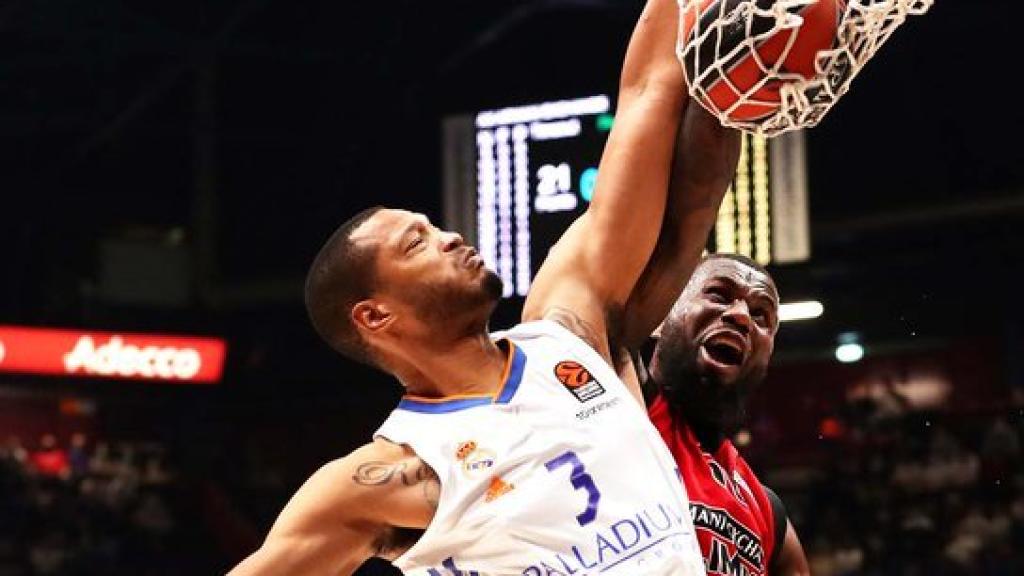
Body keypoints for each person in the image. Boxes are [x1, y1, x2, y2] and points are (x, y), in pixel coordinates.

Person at [228, 0, 741, 573]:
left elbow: (648, 92)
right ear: (375, 316)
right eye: (415, 243)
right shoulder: (380, 479)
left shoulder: (570, 327)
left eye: (433, 226)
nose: (448, 236)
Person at [632, 254, 812, 575]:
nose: (741, 317)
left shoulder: (767, 509)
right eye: (717, 295)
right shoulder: (622, 403)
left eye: (761, 315)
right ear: (660, 317)